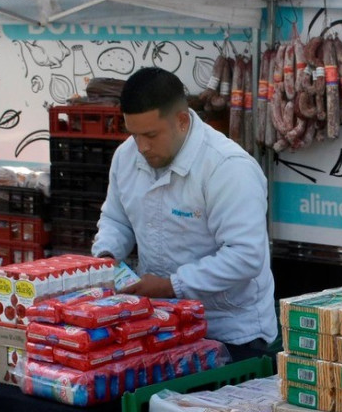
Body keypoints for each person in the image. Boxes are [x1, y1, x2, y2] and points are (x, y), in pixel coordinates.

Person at [91, 67, 278, 361]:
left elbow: (246, 256)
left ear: (181, 120)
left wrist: (171, 285)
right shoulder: (126, 156)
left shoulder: (227, 167)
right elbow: (117, 219)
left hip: (230, 332)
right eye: (134, 134)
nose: (141, 147)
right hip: (160, 323)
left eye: (151, 134)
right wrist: (106, 258)